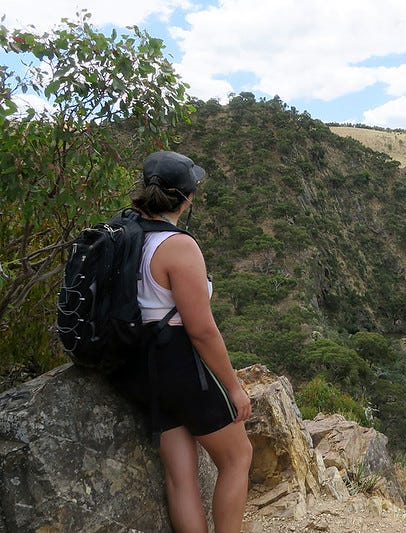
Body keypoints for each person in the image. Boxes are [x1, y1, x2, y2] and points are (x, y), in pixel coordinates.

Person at [122, 150, 253, 533]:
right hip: (179, 361)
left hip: (143, 365)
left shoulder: (127, 234)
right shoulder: (178, 246)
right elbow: (201, 329)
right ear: (187, 197)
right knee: (237, 456)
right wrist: (234, 387)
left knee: (181, 476)